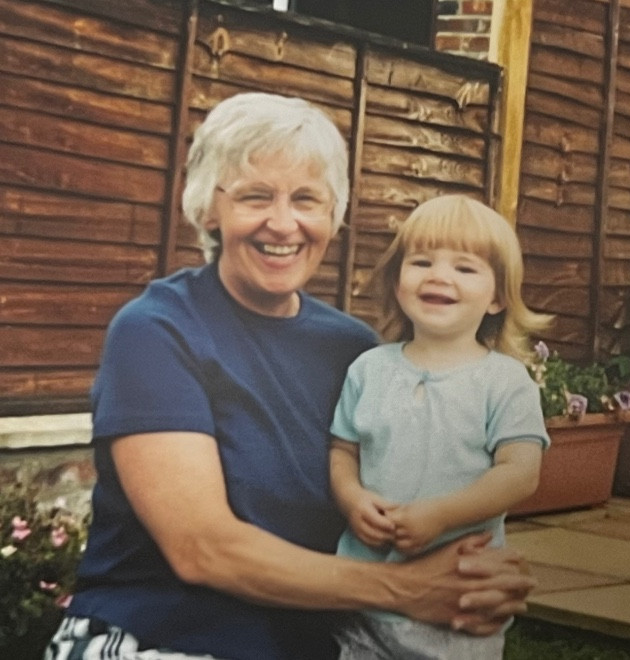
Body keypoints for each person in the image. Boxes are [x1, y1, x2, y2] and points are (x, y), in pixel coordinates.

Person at [45, 95, 537, 660]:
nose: (283, 224)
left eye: (306, 199)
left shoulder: (355, 351)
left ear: (332, 216)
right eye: (255, 196)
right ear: (209, 209)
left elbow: (426, 484)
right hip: (161, 636)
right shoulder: (158, 331)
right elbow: (202, 549)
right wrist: (407, 590)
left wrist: (476, 575)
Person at [329, 195, 552, 659]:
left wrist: (441, 516)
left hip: (458, 600)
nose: (438, 275)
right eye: (422, 262)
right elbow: (343, 450)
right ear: (397, 282)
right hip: (363, 592)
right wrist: (352, 499)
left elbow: (519, 472)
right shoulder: (368, 369)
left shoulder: (504, 381)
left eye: (465, 268)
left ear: (498, 297)